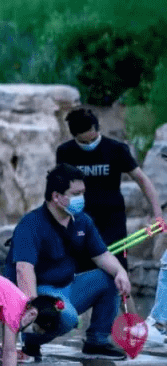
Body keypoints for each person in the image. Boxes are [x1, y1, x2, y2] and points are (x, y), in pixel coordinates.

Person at [4, 164, 132, 360]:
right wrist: (33, 309)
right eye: (75, 193)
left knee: (108, 278)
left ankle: (97, 341)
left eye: (82, 193)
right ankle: (31, 339)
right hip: (42, 291)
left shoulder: (81, 221)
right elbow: (23, 269)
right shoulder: (31, 225)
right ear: (56, 196)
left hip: (69, 286)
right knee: (68, 318)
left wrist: (120, 272)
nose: (81, 198)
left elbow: (102, 256)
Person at [56, 108, 162, 270]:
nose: (89, 145)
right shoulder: (66, 152)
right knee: (82, 271)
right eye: (83, 142)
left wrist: (157, 215)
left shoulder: (116, 149)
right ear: (74, 137)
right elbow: (57, 190)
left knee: (117, 272)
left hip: (113, 221)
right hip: (80, 220)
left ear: (98, 129)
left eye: (93, 139)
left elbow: (142, 180)